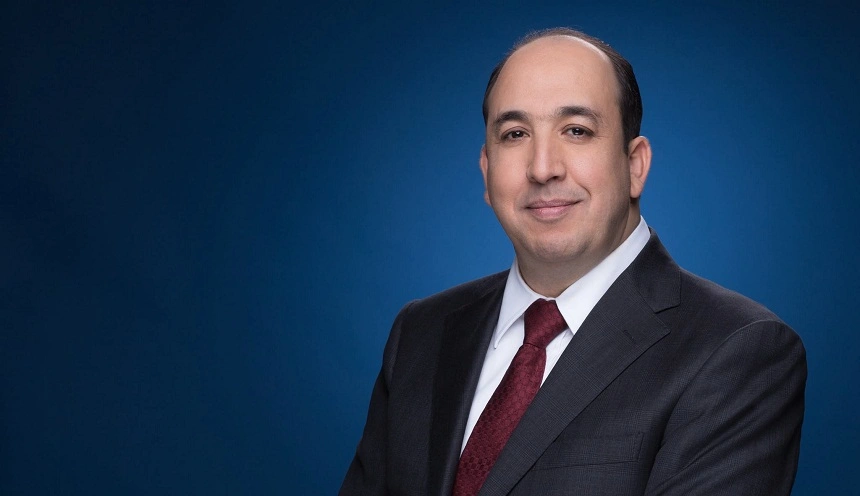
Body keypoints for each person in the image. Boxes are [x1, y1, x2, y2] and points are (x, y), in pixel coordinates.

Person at [340, 28, 806, 496]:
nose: (543, 168)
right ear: (486, 171)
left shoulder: (737, 350)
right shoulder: (420, 333)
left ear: (635, 165)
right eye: (515, 134)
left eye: (577, 131)